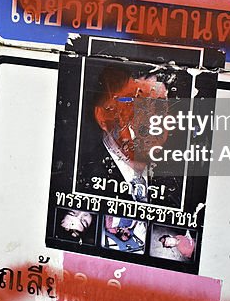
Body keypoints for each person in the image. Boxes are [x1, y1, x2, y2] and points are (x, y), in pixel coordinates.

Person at [75, 64, 181, 207]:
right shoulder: (81, 180)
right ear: (103, 115)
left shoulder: (179, 181)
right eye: (135, 102)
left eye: (159, 104)